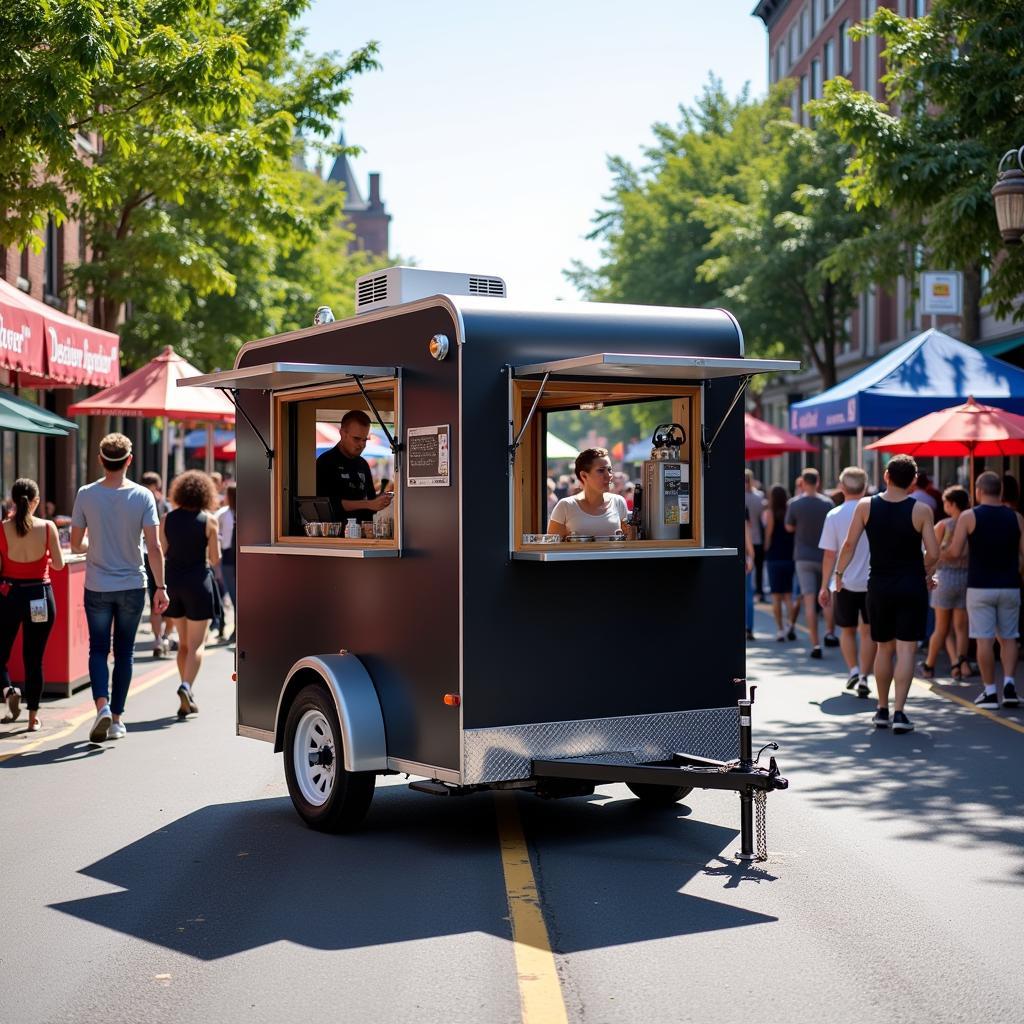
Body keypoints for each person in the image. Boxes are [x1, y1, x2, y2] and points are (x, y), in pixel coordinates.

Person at [71, 434, 168, 742]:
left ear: (101, 460)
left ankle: (101, 705)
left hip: (97, 584)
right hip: (132, 584)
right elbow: (153, 547)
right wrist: (161, 587)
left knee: (98, 649)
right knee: (124, 653)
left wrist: (94, 543)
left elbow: (75, 543)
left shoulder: (86, 494)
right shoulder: (143, 496)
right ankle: (116, 720)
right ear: (129, 460)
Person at [836, 454, 939, 734]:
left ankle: (881, 709)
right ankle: (900, 712)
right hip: (911, 586)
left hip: (879, 585)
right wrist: (926, 573)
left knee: (884, 647)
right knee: (906, 649)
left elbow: (849, 545)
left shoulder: (866, 506)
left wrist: (838, 575)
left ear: (885, 476)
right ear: (914, 481)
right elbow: (934, 552)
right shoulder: (921, 511)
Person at [947, 471, 1024, 708]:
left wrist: (938, 554)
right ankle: (1010, 686)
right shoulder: (1017, 518)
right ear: (1000, 491)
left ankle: (990, 691)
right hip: (1010, 585)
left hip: (980, 586)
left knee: (984, 640)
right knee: (1009, 638)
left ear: (978, 492)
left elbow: (956, 552)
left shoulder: (969, 516)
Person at [0, 479, 65, 732]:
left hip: (10, 595)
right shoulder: (48, 527)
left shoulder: (2, 529)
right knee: (34, 659)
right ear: (35, 501)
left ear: (13, 501)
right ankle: (32, 718)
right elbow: (59, 565)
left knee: (1, 652)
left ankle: (8, 690)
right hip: (40, 595)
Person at [161, 470, 222, 719]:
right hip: (198, 583)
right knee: (198, 644)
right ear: (206, 494)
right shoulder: (209, 521)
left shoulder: (167, 518)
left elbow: (164, 551)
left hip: (173, 582)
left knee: (183, 643)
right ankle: (187, 686)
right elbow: (216, 559)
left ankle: (186, 688)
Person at [818, 467, 875, 698]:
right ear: (866, 487)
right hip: (872, 580)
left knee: (847, 630)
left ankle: (853, 670)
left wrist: (824, 585)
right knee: (869, 631)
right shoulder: (874, 512)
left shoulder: (834, 515)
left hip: (843, 581)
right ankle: (864, 676)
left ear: (842, 488)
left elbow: (829, 554)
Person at [920, 486, 971, 681]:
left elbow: (930, 552)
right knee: (961, 626)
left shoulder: (944, 525)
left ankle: (929, 664)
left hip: (945, 576)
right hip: (965, 577)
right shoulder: (972, 523)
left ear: (952, 504)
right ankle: (960, 664)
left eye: (945, 503)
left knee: (941, 627)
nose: (944, 506)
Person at [785, 468, 834, 658]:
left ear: (803, 482)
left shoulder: (795, 504)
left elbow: (789, 527)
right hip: (824, 555)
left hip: (803, 556)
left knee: (809, 600)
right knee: (826, 597)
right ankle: (830, 633)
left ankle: (815, 644)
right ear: (818, 481)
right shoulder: (827, 503)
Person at [315, 410, 393, 524]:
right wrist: (369, 504)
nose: (362, 445)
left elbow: (371, 501)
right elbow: (328, 503)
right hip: (335, 536)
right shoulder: (326, 462)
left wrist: (382, 500)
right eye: (356, 439)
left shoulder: (363, 464)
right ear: (342, 433)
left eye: (365, 439)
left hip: (363, 534)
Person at [548, 448, 629, 538]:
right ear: (584, 475)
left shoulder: (619, 502)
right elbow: (552, 547)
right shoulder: (565, 506)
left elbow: (627, 543)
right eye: (601, 470)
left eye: (609, 470)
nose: (609, 475)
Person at [141, 471, 172, 659]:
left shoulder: (136, 500)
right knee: (164, 598)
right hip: (162, 556)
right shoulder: (162, 505)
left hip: (148, 553)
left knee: (156, 599)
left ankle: (159, 638)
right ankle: (163, 637)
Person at [763, 485, 798, 642]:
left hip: (775, 557)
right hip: (789, 556)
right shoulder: (790, 510)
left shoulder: (771, 513)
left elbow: (769, 534)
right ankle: (791, 626)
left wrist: (765, 548)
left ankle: (780, 630)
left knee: (776, 596)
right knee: (788, 595)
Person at [219, 481, 237, 643]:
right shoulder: (223, 514)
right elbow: (217, 534)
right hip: (228, 557)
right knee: (232, 594)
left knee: (240, 596)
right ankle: (236, 629)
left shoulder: (243, 513)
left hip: (240, 557)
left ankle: (239, 629)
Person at [744, 470, 766, 600]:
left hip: (745, 539)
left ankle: (749, 591)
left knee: (747, 569)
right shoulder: (760, 497)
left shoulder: (740, 497)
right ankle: (759, 591)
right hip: (757, 537)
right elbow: (763, 519)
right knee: (759, 566)